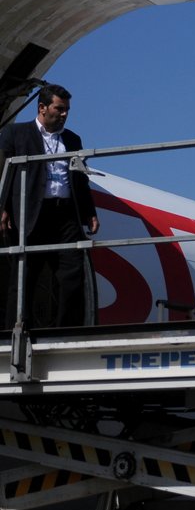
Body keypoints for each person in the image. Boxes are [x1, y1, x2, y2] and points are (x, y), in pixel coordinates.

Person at [0, 84, 99, 328]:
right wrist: (2, 208)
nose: (65, 114)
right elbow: (3, 174)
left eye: (67, 110)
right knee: (25, 274)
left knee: (72, 272)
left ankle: (66, 328)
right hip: (32, 213)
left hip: (65, 213)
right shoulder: (15, 133)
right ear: (42, 108)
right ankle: (18, 328)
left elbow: (80, 177)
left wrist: (89, 212)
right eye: (60, 109)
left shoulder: (73, 139)